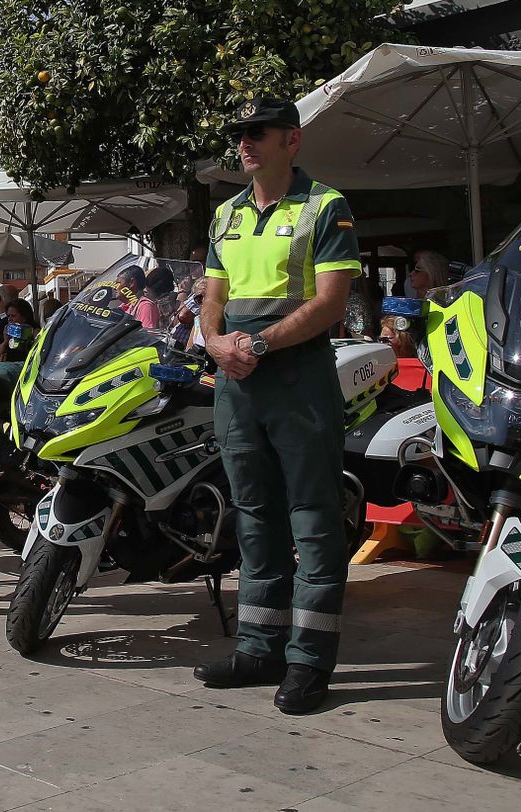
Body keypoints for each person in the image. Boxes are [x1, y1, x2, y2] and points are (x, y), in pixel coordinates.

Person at [194, 96, 361, 715]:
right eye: (240, 134)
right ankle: (258, 647)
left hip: (296, 377)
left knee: (313, 518)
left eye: (258, 133)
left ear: (292, 139)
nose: (246, 143)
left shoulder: (326, 206)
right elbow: (213, 295)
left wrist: (258, 342)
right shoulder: (225, 215)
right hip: (238, 381)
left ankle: (309, 662)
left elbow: (331, 301)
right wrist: (215, 343)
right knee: (252, 515)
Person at [0, 298, 39, 364]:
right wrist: (5, 342)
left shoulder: (34, 332)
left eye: (13, 316)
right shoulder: (9, 336)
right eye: (8, 316)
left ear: (24, 318)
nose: (9, 319)